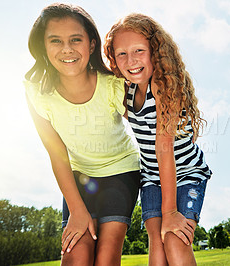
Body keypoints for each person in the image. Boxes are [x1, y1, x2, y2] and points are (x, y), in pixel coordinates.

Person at [24, 3, 141, 265]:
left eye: (75, 39)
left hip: (121, 172)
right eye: (55, 41)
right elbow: (57, 155)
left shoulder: (112, 85)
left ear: (90, 44)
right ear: (43, 47)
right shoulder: (36, 93)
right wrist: (77, 210)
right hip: (78, 177)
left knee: (106, 258)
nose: (67, 49)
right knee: (76, 256)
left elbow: (148, 121)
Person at [104, 13, 212, 265]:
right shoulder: (127, 90)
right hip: (151, 177)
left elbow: (164, 148)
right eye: (121, 53)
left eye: (139, 50)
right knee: (157, 244)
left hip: (185, 173)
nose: (130, 60)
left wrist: (171, 212)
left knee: (174, 240)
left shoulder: (164, 87)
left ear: (156, 51)